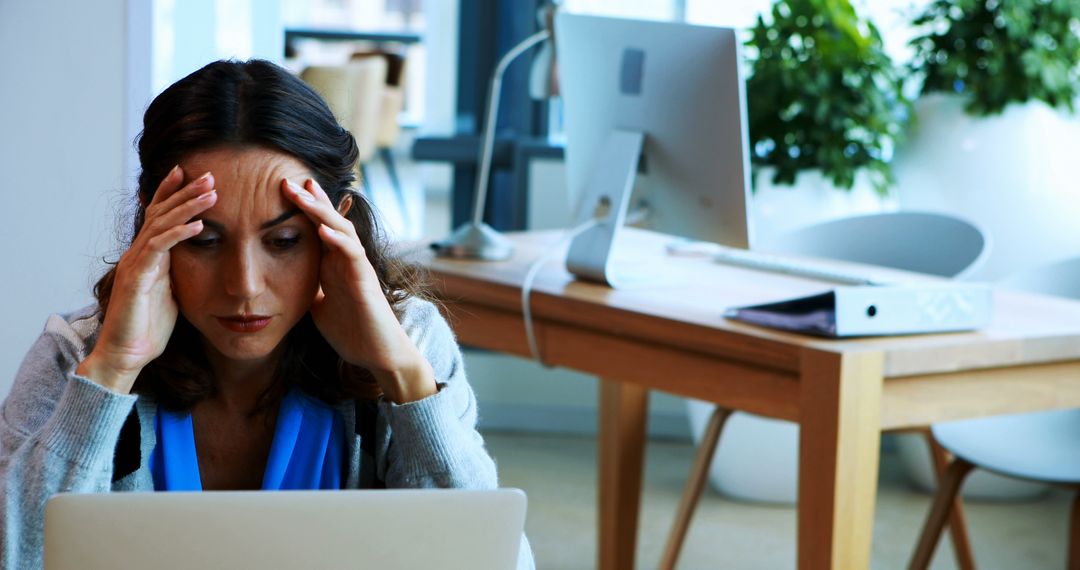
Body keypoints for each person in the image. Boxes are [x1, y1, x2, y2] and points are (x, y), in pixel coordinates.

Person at [0, 59, 533, 568]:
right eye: (205, 241)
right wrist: (113, 368)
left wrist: (401, 375)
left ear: (335, 228)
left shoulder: (410, 341)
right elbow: (16, 556)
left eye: (283, 241)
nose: (244, 286)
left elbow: (494, 560)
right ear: (153, 228)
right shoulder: (77, 357)